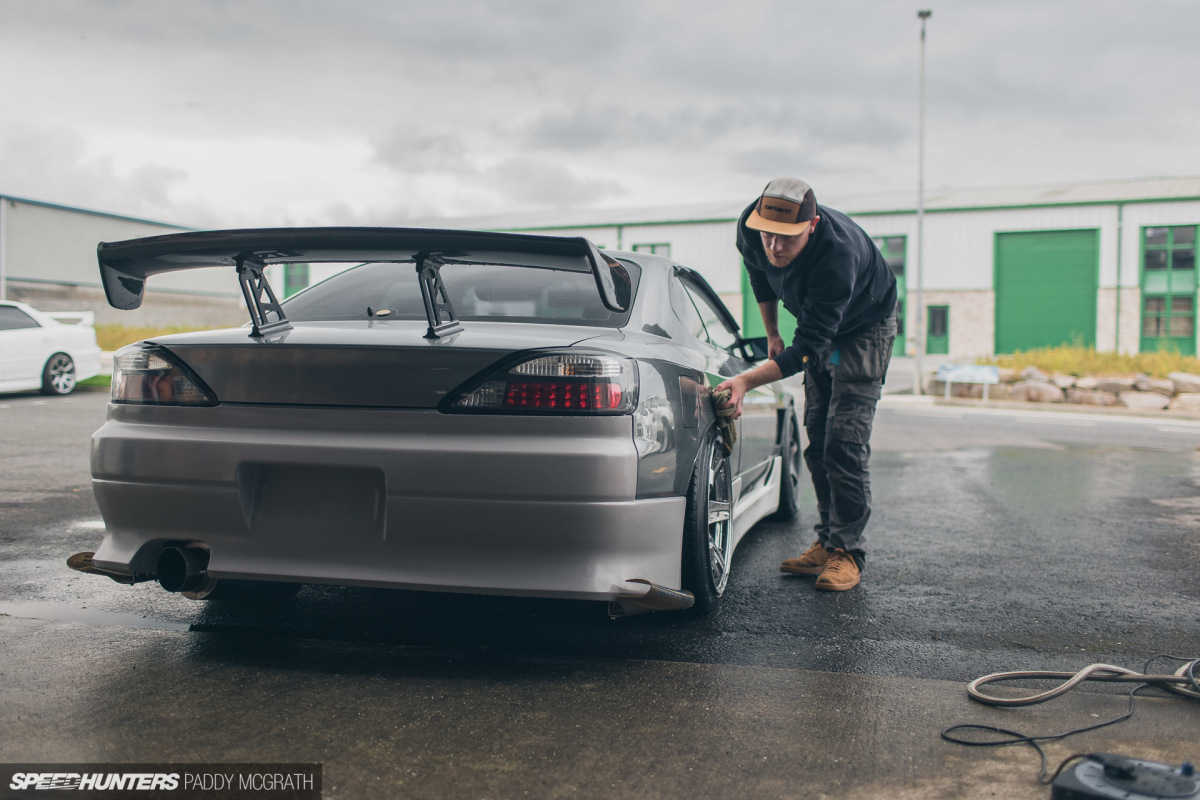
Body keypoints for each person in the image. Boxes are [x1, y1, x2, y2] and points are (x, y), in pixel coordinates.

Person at [715, 177, 897, 591]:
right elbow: (759, 274)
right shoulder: (751, 226)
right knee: (817, 435)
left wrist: (747, 380)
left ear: (811, 226)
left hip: (865, 328)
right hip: (820, 328)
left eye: (786, 239)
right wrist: (772, 331)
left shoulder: (837, 255)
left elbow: (808, 350)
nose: (774, 247)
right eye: (768, 236)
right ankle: (828, 540)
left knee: (844, 442)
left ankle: (847, 551)